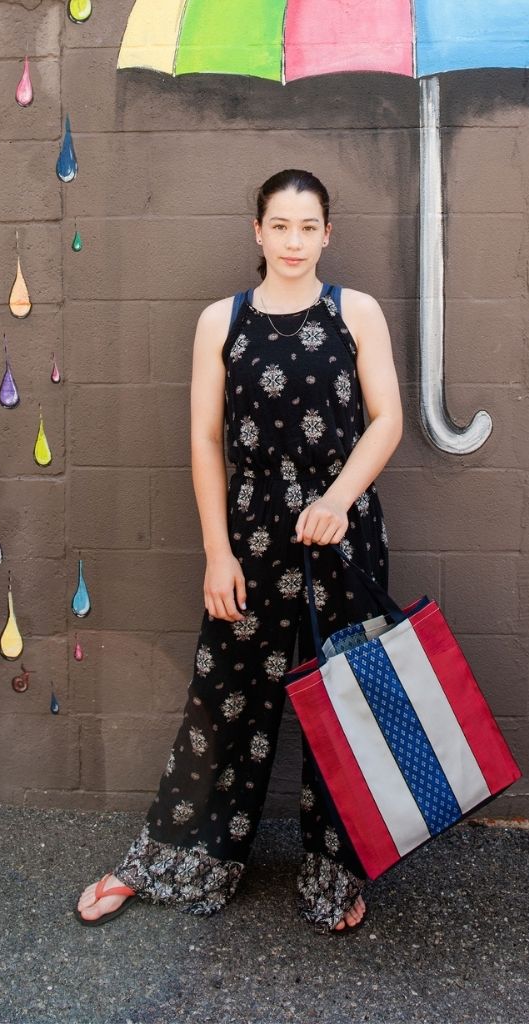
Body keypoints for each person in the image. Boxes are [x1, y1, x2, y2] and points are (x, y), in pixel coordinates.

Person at [75, 169, 403, 933]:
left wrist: (335, 500)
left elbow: (386, 420)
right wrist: (217, 554)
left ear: (329, 233)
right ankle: (178, 857)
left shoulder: (358, 313)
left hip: (341, 532)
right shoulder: (221, 321)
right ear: (256, 232)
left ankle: (335, 875)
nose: (294, 241)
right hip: (250, 532)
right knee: (223, 701)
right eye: (280, 226)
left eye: (308, 226)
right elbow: (203, 439)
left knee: (343, 703)